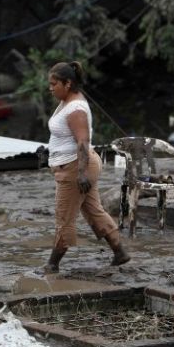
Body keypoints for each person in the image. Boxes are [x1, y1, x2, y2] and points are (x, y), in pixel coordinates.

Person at [43, 61, 130, 273]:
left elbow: (83, 141)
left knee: (64, 217)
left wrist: (81, 174)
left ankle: (52, 265)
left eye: (54, 84)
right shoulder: (66, 101)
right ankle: (120, 253)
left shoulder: (75, 109)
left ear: (67, 83)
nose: (50, 88)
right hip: (74, 165)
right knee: (93, 210)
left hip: (76, 168)